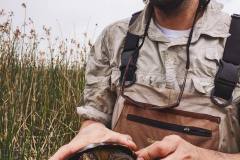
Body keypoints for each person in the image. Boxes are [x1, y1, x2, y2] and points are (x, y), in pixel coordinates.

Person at [50, 0, 240, 159]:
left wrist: (203, 156)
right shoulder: (115, 37)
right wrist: (91, 129)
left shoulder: (235, 41)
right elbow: (96, 116)